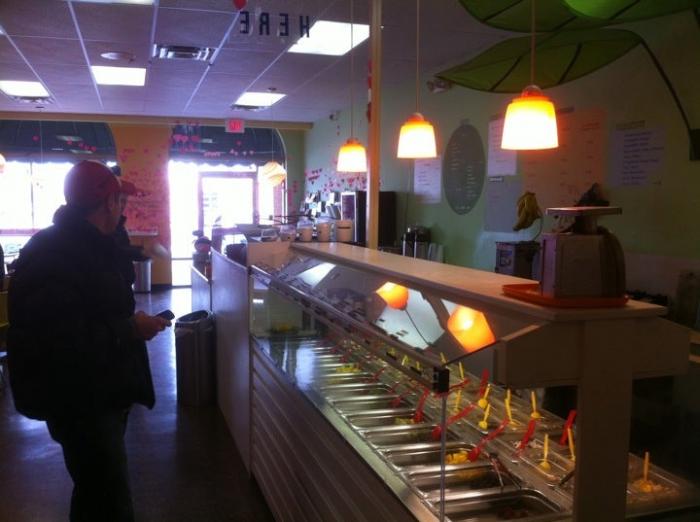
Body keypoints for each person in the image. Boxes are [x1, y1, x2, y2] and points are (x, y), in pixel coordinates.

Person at [7, 160, 170, 522]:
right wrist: (130, 329)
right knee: (108, 500)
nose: (123, 210)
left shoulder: (83, 244)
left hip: (99, 391)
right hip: (81, 401)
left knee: (94, 492)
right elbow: (62, 341)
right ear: (108, 202)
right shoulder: (57, 255)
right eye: (119, 202)